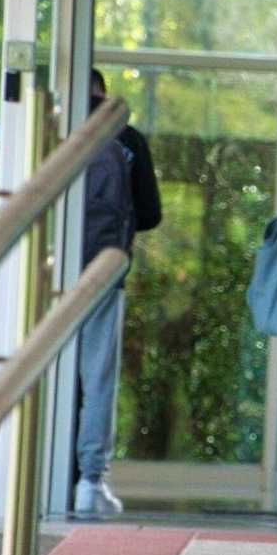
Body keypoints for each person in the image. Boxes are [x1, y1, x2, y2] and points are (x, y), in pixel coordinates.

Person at [75, 69, 163, 517]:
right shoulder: (126, 138)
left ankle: (37, 470)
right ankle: (89, 481)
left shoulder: (45, 130)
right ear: (104, 93)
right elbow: (150, 213)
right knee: (97, 377)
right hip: (102, 269)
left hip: (43, 272)